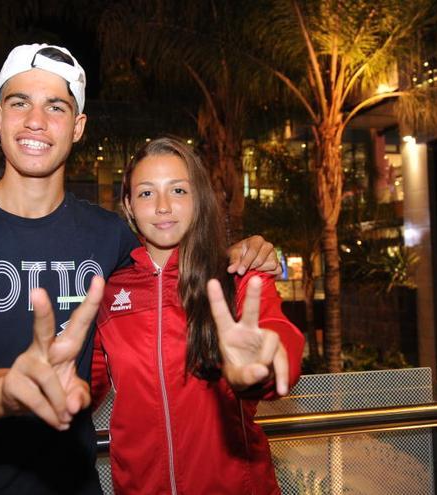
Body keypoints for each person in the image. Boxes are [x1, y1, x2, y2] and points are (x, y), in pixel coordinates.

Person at [0, 44, 280, 494]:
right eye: (20, 103)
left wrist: (241, 255)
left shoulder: (109, 236)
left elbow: (168, 268)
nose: (36, 120)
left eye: (55, 106)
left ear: (77, 127)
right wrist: (7, 390)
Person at [92, 137, 304, 494]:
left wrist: (264, 365)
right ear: (128, 205)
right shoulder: (110, 293)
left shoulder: (238, 277)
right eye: (146, 193)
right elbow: (84, 387)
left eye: (178, 190)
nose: (162, 207)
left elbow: (278, 335)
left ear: (199, 199)